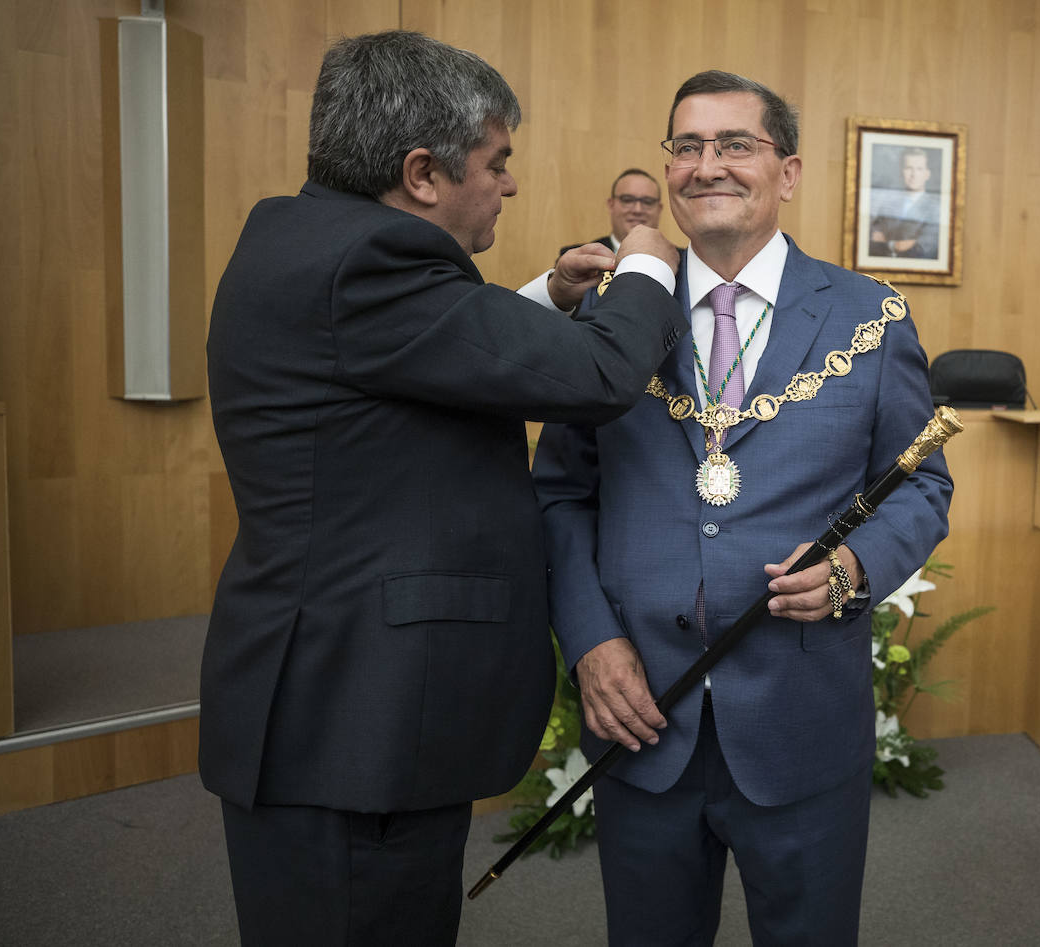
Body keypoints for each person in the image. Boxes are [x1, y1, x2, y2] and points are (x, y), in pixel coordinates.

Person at [200, 30, 682, 947]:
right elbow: (600, 376)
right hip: (354, 729)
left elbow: (422, 361)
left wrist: (550, 296)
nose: (510, 184)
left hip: (331, 707)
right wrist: (649, 260)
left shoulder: (308, 236)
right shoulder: (371, 262)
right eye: (497, 162)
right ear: (422, 173)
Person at [532, 71, 952, 945]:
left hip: (803, 723)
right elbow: (562, 495)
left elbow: (921, 483)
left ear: (787, 172)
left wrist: (854, 567)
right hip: (641, 715)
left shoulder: (871, 317)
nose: (707, 165)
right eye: (687, 147)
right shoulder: (612, 315)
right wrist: (592, 641)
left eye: (735, 144)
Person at [558, 168, 664, 256]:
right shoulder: (578, 258)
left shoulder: (674, 260)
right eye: (627, 200)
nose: (638, 210)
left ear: (659, 209)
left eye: (648, 202)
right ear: (611, 205)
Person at [868, 146, 940, 259]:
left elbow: (921, 248)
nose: (913, 175)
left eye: (919, 169)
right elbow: (872, 241)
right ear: (901, 172)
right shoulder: (888, 205)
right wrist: (898, 245)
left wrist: (887, 243)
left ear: (927, 174)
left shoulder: (935, 208)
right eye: (909, 168)